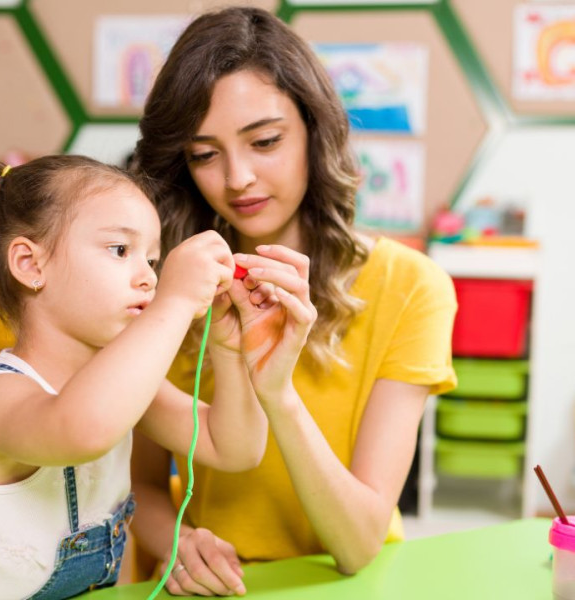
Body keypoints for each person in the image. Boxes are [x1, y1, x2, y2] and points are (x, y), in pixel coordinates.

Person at [130, 5, 457, 596]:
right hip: (214, 587)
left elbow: (359, 544)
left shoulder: (412, 286)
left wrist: (277, 393)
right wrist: (176, 540)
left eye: (265, 141)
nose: (238, 178)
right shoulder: (169, 287)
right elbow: (141, 487)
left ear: (315, 129)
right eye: (204, 154)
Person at [0, 154, 311, 599]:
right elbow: (84, 428)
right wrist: (175, 301)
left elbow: (234, 447)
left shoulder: (120, 385)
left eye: (153, 261)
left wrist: (228, 350)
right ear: (31, 265)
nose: (149, 278)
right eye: (120, 250)